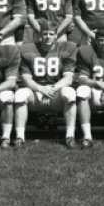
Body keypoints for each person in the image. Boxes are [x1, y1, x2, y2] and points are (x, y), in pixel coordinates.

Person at [13, 20, 79, 148]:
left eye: (51, 34)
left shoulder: (67, 48)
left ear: (56, 35)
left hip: (56, 92)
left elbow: (68, 78)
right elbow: (26, 79)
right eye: (45, 34)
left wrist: (53, 88)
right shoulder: (27, 49)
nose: (47, 37)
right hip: (35, 92)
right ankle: (20, 137)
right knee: (20, 94)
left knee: (70, 93)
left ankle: (70, 136)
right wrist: (40, 88)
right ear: (39, 35)